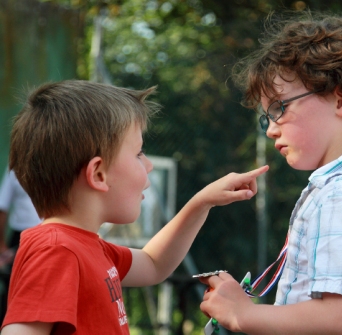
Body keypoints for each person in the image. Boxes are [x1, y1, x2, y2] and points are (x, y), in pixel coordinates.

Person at [0, 79, 269, 335]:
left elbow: (154, 263)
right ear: (99, 175)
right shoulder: (55, 251)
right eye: (139, 153)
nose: (149, 165)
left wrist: (202, 201)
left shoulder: (86, 246)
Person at [199, 11, 342, 335]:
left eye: (280, 108)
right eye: (265, 117)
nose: (270, 130)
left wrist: (242, 314)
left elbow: (339, 319)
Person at [0, 168, 41, 322]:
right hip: (20, 238)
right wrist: (2, 245)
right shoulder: (15, 163)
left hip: (50, 234)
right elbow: (2, 206)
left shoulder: (58, 155)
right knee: (14, 291)